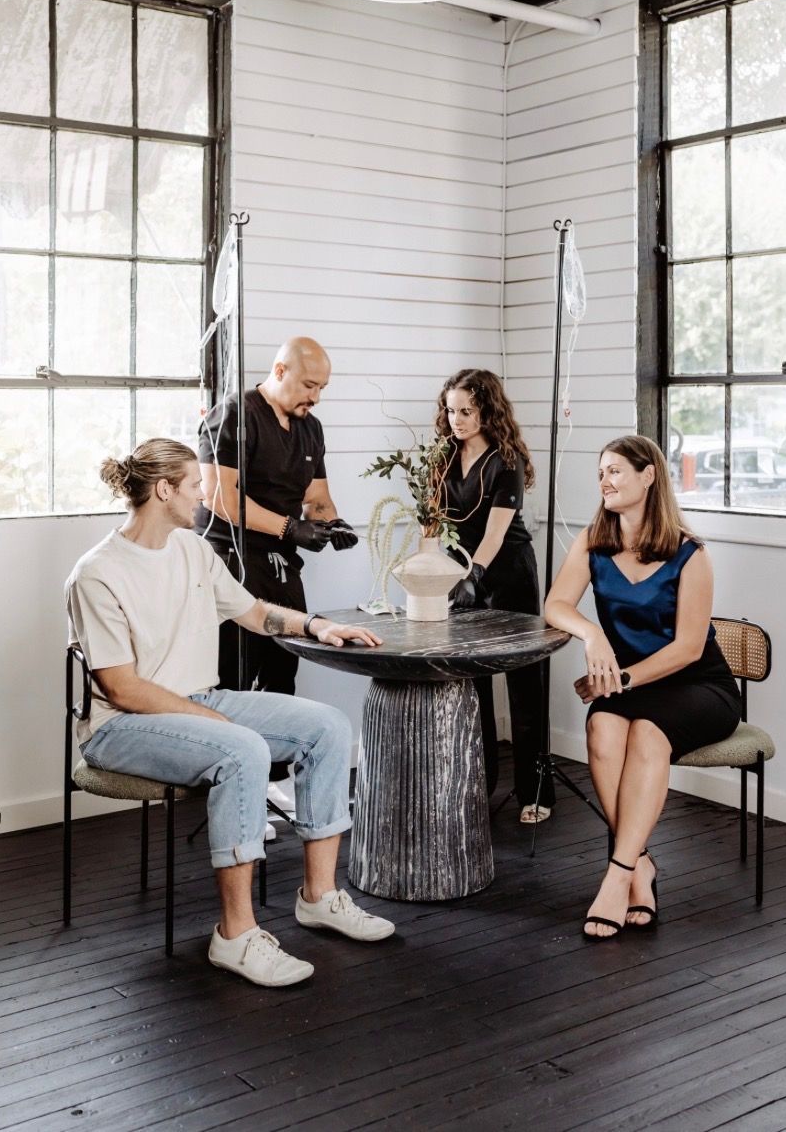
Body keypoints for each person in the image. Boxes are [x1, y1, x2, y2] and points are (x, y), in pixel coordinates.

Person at [65, 438, 394, 988]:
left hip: (198, 700)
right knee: (242, 748)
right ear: (163, 490)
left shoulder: (192, 550)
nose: (203, 494)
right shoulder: (97, 573)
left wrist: (318, 626)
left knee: (327, 727)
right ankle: (236, 937)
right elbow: (121, 689)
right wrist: (213, 725)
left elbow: (252, 612)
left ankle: (319, 897)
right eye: (195, 485)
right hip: (119, 728)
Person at [544, 434, 741, 940]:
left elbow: (689, 649)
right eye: (600, 474)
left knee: (649, 734)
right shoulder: (594, 540)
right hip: (633, 683)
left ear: (648, 475)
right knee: (603, 730)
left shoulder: (689, 552)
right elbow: (556, 605)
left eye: (614, 471)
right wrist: (591, 636)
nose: (604, 482)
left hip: (699, 685)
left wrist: (620, 678)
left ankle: (616, 876)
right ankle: (641, 864)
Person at [195, 337, 358, 695]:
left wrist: (331, 526)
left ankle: (278, 752)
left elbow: (316, 500)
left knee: (283, 671)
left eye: (322, 388)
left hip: (281, 565)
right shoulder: (234, 415)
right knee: (233, 677)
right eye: (309, 385)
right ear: (280, 371)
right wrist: (290, 528)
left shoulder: (310, 428)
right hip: (232, 561)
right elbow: (218, 497)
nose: (315, 398)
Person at [435, 369, 547, 825]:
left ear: (487, 410)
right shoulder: (441, 455)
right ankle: (479, 785)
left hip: (508, 574)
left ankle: (536, 792)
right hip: (461, 574)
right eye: (450, 410)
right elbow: (432, 520)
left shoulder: (507, 460)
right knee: (472, 685)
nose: (456, 419)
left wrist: (473, 576)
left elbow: (497, 532)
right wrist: (430, 573)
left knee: (524, 685)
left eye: (466, 410)